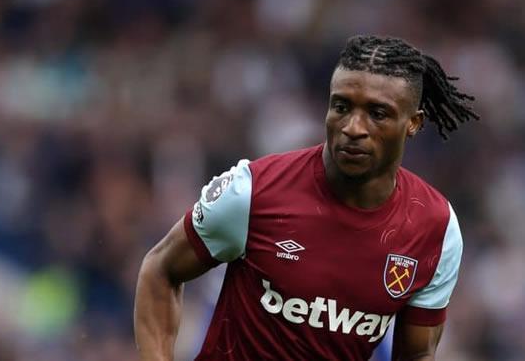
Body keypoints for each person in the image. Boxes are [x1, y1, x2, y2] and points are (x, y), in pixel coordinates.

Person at [134, 35, 479, 360]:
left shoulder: (435, 227)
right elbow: (160, 270)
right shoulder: (253, 192)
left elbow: (417, 354)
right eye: (341, 106)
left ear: (414, 123)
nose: (353, 127)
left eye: (377, 113)